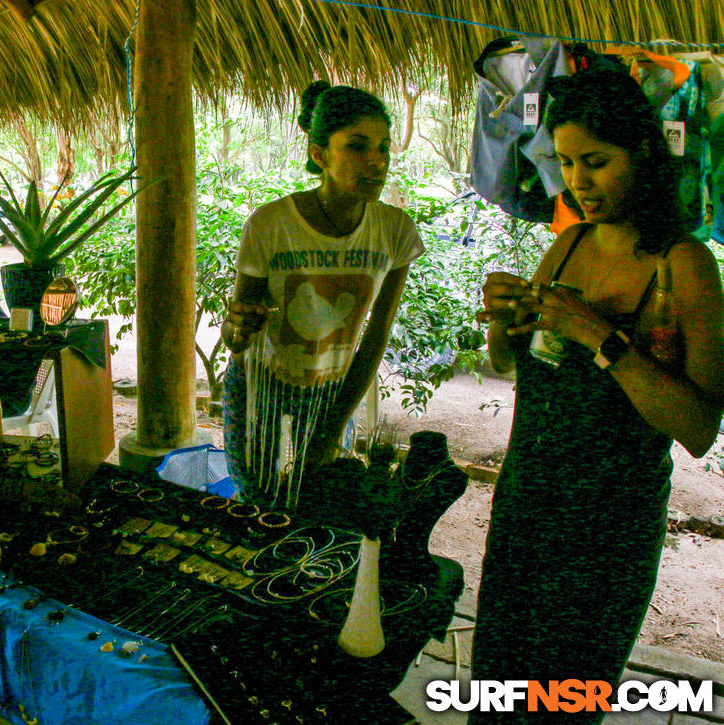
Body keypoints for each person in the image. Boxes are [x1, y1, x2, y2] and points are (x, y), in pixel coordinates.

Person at [472, 69, 724, 722]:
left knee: (562, 708)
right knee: (496, 696)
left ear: (640, 152)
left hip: (605, 534)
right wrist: (505, 318)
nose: (577, 181)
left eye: (596, 162)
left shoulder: (682, 266)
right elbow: (511, 366)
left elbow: (699, 425)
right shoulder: (566, 246)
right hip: (526, 505)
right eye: (565, 162)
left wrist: (596, 333)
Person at [220, 81, 424, 508]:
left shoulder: (395, 231)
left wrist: (333, 428)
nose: (377, 161)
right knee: (261, 502)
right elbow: (238, 335)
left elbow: (375, 337)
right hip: (263, 387)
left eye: (383, 148)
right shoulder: (271, 224)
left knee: (317, 501)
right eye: (357, 147)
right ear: (319, 154)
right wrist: (237, 327)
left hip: (333, 390)